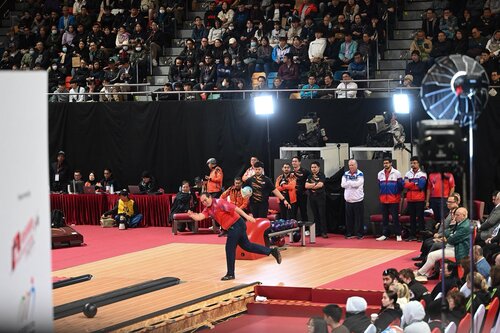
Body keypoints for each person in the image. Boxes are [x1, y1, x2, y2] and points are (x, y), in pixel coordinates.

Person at [187, 192, 282, 280]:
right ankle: (272, 251)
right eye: (202, 201)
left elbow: (236, 208)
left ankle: (230, 274)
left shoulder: (220, 202)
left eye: (205, 200)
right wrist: (192, 215)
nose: (204, 202)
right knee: (247, 246)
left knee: (229, 248)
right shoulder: (208, 209)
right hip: (234, 226)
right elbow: (200, 217)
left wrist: (247, 217)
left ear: (210, 197)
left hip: (236, 224)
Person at [415, 207, 471, 281]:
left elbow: (452, 240)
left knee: (432, 255)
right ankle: (425, 274)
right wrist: (447, 235)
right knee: (433, 251)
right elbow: (448, 231)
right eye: (455, 215)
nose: (455, 217)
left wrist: (447, 237)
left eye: (457, 215)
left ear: (464, 216)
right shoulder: (460, 222)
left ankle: (420, 273)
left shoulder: (465, 227)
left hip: (458, 251)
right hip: (453, 247)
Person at [376, 157, 404, 241]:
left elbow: (401, 186)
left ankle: (398, 234)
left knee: (395, 218)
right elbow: (379, 185)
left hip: (393, 199)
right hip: (384, 199)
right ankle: (385, 234)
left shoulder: (397, 173)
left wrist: (395, 193)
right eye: (384, 163)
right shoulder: (380, 173)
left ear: (391, 163)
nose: (385, 165)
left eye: (387, 163)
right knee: (385, 218)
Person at [404, 157, 427, 241]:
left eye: (415, 163)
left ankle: (422, 236)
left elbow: (421, 186)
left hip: (419, 199)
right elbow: (405, 185)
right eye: (412, 163)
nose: (413, 164)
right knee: (412, 218)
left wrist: (410, 184)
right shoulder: (407, 173)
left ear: (418, 164)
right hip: (410, 199)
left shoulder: (423, 174)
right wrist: (414, 184)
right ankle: (412, 235)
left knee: (420, 218)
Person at [341, 159, 365, 239]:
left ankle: (359, 234)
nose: (351, 167)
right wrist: (351, 183)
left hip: (358, 200)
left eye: (352, 165)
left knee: (359, 218)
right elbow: (342, 184)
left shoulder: (360, 173)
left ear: (356, 165)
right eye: (350, 165)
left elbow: (358, 184)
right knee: (349, 218)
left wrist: (349, 183)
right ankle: (349, 233)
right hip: (348, 200)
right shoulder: (345, 174)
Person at [306, 161, 328, 238]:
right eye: (312, 167)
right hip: (312, 197)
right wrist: (315, 184)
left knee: (322, 215)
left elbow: (321, 184)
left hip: (320, 197)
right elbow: (306, 186)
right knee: (315, 215)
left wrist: (311, 185)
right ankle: (317, 231)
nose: (313, 169)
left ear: (318, 167)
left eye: (315, 167)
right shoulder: (309, 176)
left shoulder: (322, 175)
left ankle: (324, 232)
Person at [291, 156, 310, 223]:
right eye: (293, 161)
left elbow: (310, 181)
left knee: (303, 212)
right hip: (293, 196)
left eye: (295, 161)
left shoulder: (305, 172)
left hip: (302, 195)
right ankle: (293, 230)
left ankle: (306, 229)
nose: (294, 163)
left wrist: (306, 191)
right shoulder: (290, 173)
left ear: (299, 162)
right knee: (293, 213)